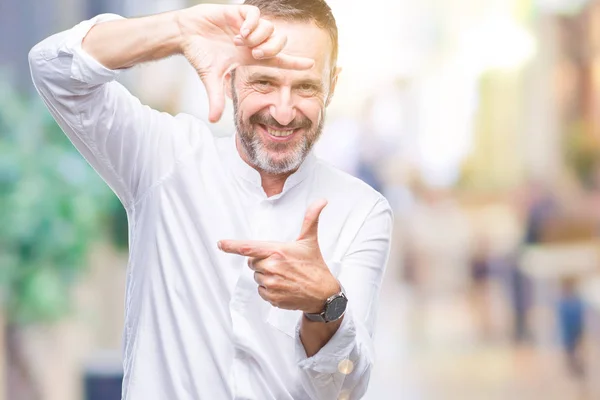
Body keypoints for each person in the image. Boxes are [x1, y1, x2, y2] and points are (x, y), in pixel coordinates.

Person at [29, 1, 393, 399]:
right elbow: (53, 68)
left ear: (332, 85)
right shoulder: (164, 158)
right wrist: (177, 30)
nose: (284, 112)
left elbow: (346, 386)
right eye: (265, 83)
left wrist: (325, 305)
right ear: (232, 74)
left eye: (306, 87)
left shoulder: (363, 210)